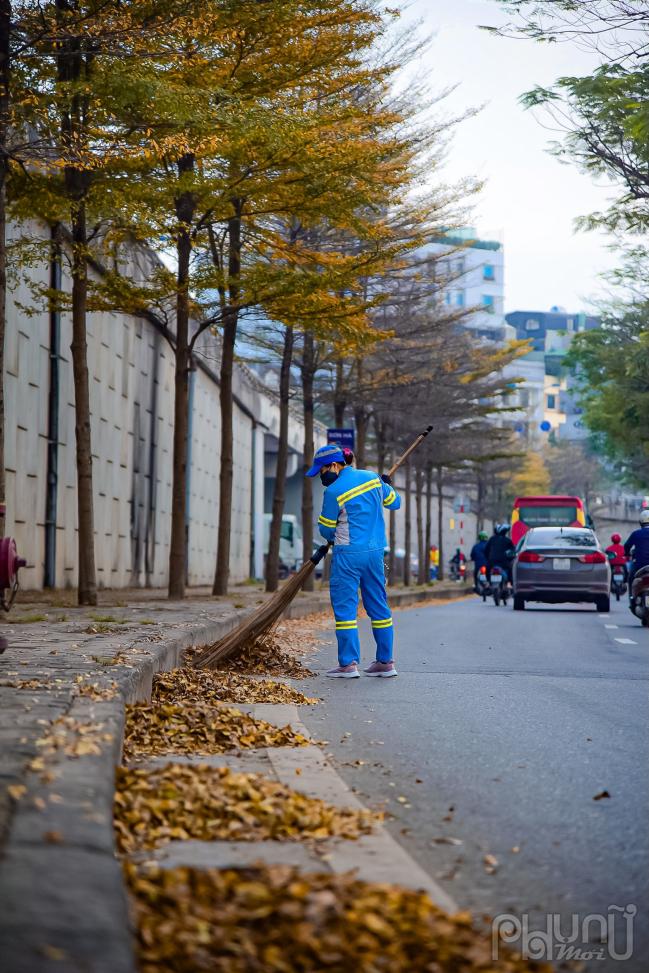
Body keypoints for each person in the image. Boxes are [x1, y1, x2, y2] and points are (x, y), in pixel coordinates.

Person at [307, 443, 401, 679]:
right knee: (379, 606)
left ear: (334, 465)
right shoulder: (372, 478)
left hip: (348, 555)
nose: (321, 475)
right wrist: (385, 484)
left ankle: (348, 664)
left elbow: (326, 531)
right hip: (376, 553)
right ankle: (385, 662)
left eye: (321, 470)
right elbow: (394, 502)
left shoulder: (333, 491)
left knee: (346, 608)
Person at [623, 510, 649, 597]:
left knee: (631, 578)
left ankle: (631, 597)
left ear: (640, 522)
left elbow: (627, 546)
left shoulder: (636, 534)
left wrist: (627, 554)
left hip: (639, 565)